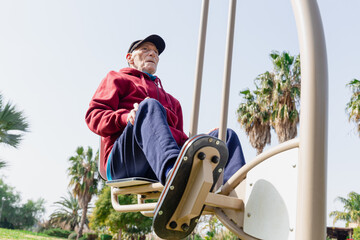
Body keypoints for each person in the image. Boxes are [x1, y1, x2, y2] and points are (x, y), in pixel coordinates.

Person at [85, 34, 246, 186]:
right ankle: (174, 174)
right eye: (145, 49)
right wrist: (126, 117)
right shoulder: (117, 78)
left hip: (158, 162)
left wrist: (201, 140)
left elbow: (179, 140)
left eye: (155, 52)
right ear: (129, 58)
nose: (152, 54)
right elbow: (94, 116)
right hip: (125, 160)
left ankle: (238, 190)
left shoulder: (172, 102)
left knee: (224, 135)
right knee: (148, 106)